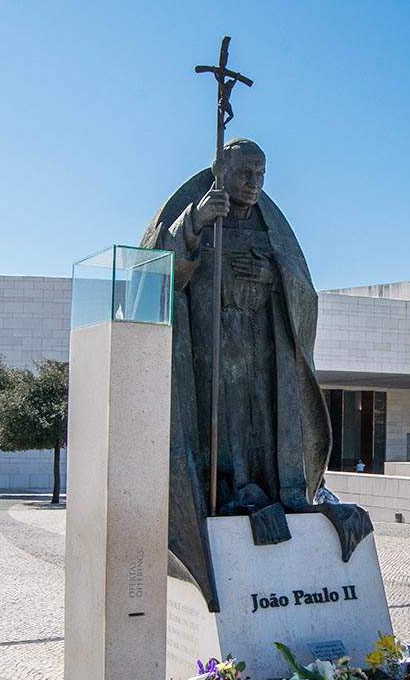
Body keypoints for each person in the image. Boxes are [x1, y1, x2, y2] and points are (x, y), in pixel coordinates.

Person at [141, 138, 368, 611]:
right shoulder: (197, 213)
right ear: (220, 169)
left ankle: (272, 491)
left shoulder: (272, 229)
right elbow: (158, 279)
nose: (253, 185)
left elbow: (304, 291)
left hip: (263, 353)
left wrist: (273, 276)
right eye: (245, 174)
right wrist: (197, 223)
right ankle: (229, 490)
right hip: (209, 350)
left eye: (261, 176)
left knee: (264, 422)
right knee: (224, 430)